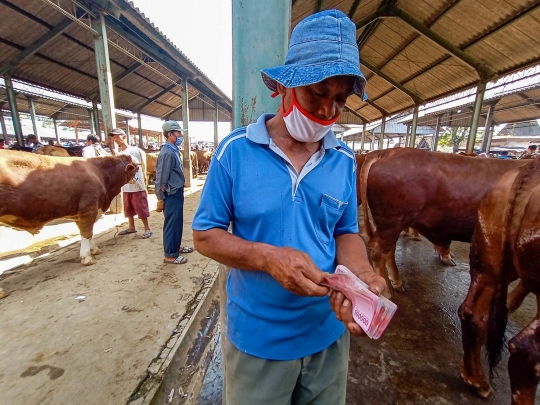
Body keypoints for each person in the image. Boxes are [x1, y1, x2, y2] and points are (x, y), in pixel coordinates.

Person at [192, 10, 388, 405]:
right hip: (259, 340)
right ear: (284, 85)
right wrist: (266, 257)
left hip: (327, 334)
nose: (329, 112)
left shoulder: (344, 160)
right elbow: (205, 236)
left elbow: (346, 232)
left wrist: (363, 274)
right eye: (318, 93)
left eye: (340, 99)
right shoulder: (236, 152)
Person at [155, 121, 194, 264]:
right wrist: (160, 198)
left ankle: (176, 247)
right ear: (170, 135)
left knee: (177, 221)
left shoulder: (173, 150)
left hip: (176, 191)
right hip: (171, 193)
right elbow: (161, 178)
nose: (181, 136)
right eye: (178, 133)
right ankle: (170, 255)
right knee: (172, 222)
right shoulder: (166, 153)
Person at [108, 128, 152, 239]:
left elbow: (137, 165)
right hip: (126, 184)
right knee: (128, 206)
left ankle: (147, 228)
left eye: (117, 136)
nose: (116, 139)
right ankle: (131, 226)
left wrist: (129, 172)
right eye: (114, 137)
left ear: (124, 136)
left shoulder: (133, 151)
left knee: (140, 205)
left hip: (136, 182)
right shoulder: (120, 153)